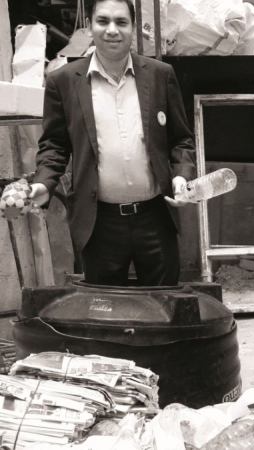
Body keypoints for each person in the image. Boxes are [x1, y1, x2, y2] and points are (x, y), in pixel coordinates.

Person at [30, 0, 195, 286]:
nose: (112, 30)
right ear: (89, 26)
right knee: (103, 307)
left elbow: (181, 139)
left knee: (163, 303)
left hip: (155, 218)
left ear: (133, 28)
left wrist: (181, 177)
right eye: (103, 21)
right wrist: (44, 183)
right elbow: (54, 145)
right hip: (99, 222)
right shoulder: (64, 81)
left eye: (121, 22)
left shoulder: (160, 75)